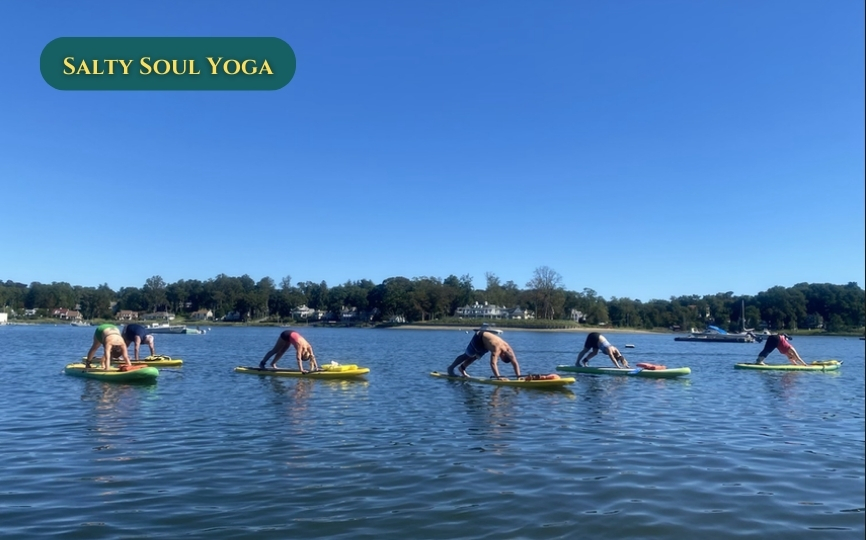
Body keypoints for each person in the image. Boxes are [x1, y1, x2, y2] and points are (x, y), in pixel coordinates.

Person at [447, 325, 521, 379]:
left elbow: (515, 363)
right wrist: (498, 377)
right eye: (501, 357)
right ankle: (451, 368)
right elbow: (493, 363)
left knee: (475, 357)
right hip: (479, 337)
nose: (500, 357)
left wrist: (519, 377)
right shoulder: (497, 349)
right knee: (468, 355)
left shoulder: (509, 350)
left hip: (486, 345)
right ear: (504, 354)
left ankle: (462, 368)